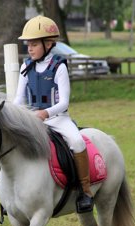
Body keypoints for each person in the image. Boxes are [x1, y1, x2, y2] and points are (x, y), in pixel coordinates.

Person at [13, 15, 94, 213]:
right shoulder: (25, 67)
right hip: (32, 120)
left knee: (77, 142)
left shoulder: (59, 67)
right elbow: (18, 100)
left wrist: (45, 113)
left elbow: (64, 102)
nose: (29, 48)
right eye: (28, 44)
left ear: (48, 44)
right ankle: (10, 195)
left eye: (33, 44)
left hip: (58, 119)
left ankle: (85, 192)